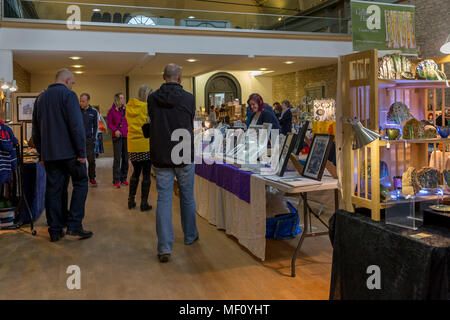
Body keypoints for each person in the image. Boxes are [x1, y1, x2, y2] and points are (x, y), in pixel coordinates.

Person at [32, 68, 92, 242]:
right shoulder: (68, 95)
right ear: (67, 81)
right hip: (70, 153)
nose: (72, 86)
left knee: (54, 190)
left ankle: (55, 230)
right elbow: (76, 126)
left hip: (50, 155)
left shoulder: (41, 98)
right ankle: (74, 225)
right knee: (81, 182)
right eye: (72, 83)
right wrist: (82, 153)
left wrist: (41, 154)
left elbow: (35, 129)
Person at [148, 63, 198, 263]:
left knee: (164, 199)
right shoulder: (189, 98)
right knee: (187, 197)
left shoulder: (152, 99)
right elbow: (190, 119)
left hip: (161, 153)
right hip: (183, 152)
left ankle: (164, 247)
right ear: (180, 78)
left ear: (163, 77)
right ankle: (190, 236)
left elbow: (153, 119)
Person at [126, 85, 153, 212]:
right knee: (146, 173)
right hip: (145, 144)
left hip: (132, 145)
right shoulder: (147, 107)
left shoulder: (129, 107)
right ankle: (144, 203)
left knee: (135, 172)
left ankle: (131, 200)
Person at [107, 93, 129, 188]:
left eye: (123, 98)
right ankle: (116, 180)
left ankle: (123, 178)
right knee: (117, 159)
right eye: (121, 98)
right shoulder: (111, 111)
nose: (123, 99)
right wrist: (115, 130)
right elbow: (110, 123)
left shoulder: (127, 109)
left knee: (125, 158)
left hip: (126, 137)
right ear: (116, 99)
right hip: (117, 137)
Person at [79, 93, 98, 187]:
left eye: (83, 101)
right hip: (78, 140)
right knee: (80, 160)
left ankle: (92, 178)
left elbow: (96, 126)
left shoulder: (94, 112)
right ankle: (81, 178)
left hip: (89, 139)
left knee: (91, 160)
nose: (81, 103)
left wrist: (94, 137)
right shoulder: (77, 111)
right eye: (80, 101)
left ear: (88, 101)